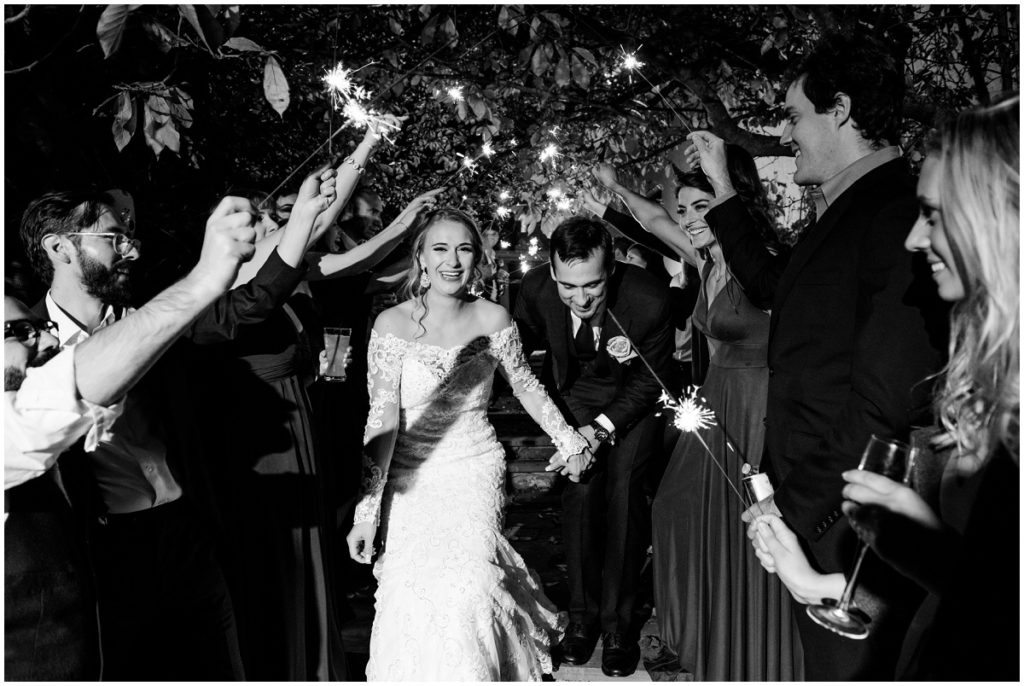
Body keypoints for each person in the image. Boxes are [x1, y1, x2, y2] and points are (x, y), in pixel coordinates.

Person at [686, 33, 948, 679]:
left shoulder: (893, 213)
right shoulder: (848, 207)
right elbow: (778, 287)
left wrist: (793, 512)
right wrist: (722, 187)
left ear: (841, 109)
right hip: (819, 502)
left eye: (795, 115)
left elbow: (884, 402)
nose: (787, 132)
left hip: (850, 519)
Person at [16, 171, 335, 680]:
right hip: (104, 551)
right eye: (112, 239)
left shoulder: (152, 321)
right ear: (59, 248)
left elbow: (253, 301)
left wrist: (300, 220)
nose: (131, 252)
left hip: (186, 531)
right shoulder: (22, 349)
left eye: (130, 239)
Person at [755, 94, 1020, 681]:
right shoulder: (992, 378)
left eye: (934, 214)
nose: (914, 240)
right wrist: (824, 582)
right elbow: (972, 586)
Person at [345, 208, 593, 681]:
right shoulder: (390, 326)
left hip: (472, 467)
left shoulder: (493, 317)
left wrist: (569, 438)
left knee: (471, 586)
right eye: (439, 248)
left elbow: (525, 386)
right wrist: (366, 512)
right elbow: (382, 421)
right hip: (410, 478)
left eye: (463, 248)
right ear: (419, 257)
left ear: (477, 257)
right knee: (408, 589)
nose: (452, 260)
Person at [593, 151, 802, 680]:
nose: (688, 218)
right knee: (673, 507)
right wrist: (616, 187)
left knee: (750, 526)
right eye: (684, 208)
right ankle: (706, 631)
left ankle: (753, 649)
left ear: (732, 204)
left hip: (757, 404)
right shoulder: (706, 258)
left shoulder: (764, 262)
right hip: (715, 400)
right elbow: (656, 220)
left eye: (701, 206)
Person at [513, 217, 675, 677]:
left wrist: (599, 431)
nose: (580, 299)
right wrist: (567, 432)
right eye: (569, 286)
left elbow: (651, 380)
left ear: (613, 268)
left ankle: (620, 627)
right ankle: (582, 622)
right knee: (580, 490)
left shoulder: (648, 298)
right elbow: (518, 349)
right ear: (551, 267)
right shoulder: (536, 288)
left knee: (624, 491)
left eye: (593, 286)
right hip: (576, 394)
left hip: (634, 400)